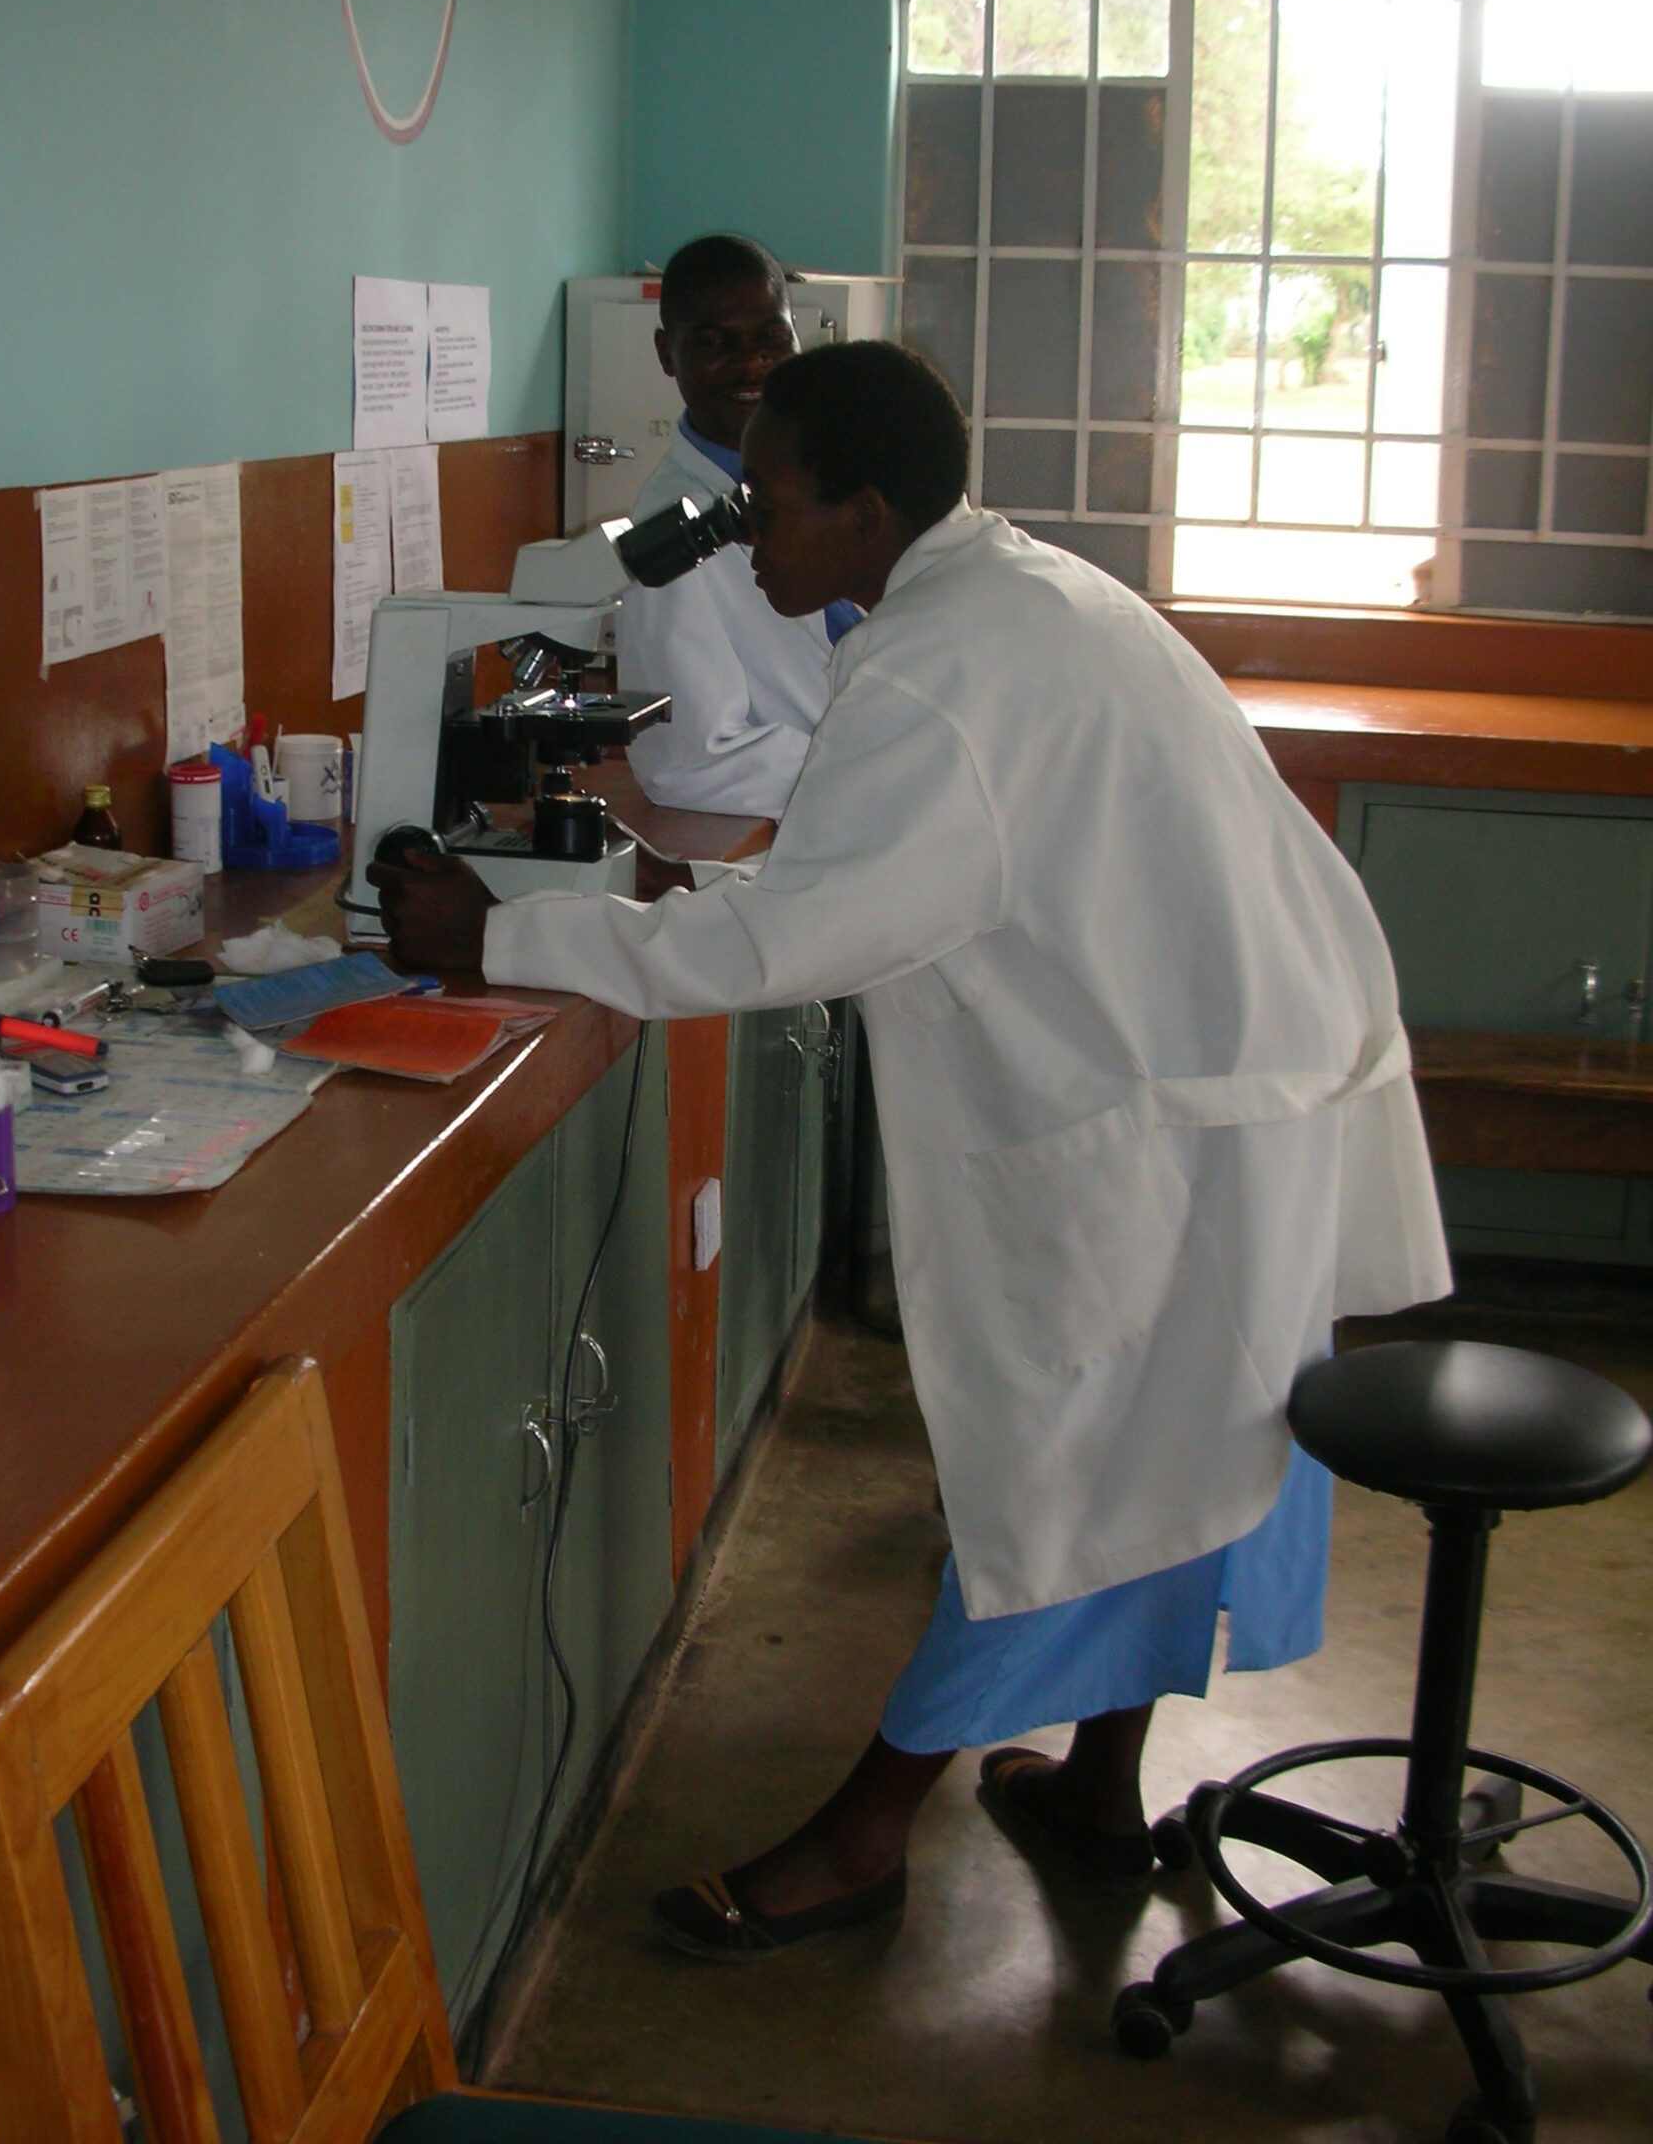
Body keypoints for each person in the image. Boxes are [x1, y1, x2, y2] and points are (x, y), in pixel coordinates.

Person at [371, 340, 1451, 1957]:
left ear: (867, 509)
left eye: (774, 504)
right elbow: (874, 870)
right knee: (1161, 1457)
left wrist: (496, 944)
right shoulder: (1004, 591)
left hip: (1196, 1117)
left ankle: (866, 1835)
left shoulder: (944, 663)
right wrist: (679, 902)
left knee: (1081, 1477)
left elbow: (790, 941)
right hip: (1247, 1070)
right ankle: (1097, 1792)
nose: (750, 535)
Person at [615, 235, 859, 817]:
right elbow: (690, 759)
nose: (752, 364)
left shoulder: (839, 468)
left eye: (771, 338)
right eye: (713, 343)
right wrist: (864, 774)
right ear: (665, 354)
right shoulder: (667, 535)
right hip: (832, 812)